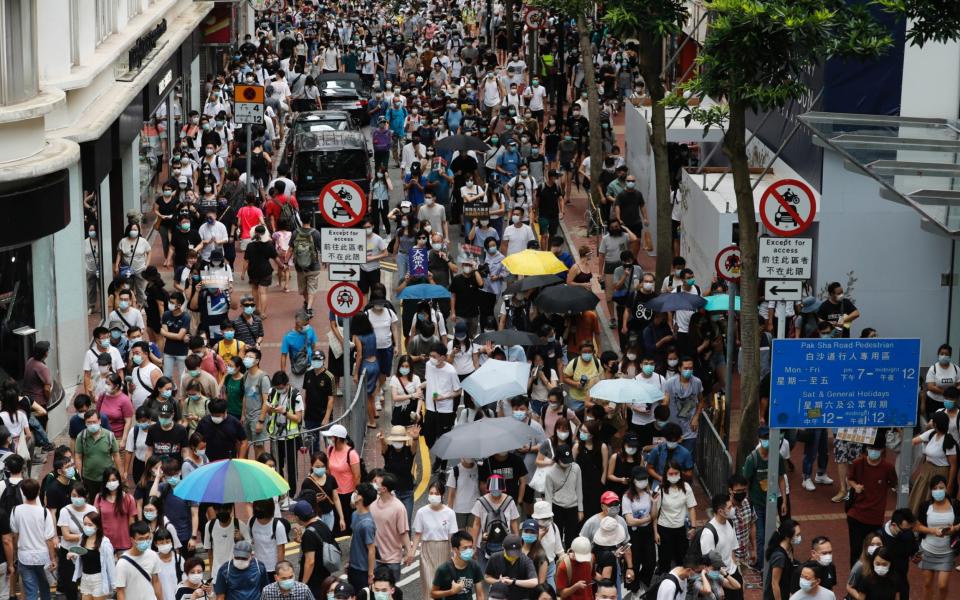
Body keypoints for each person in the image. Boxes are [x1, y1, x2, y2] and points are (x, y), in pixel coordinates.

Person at [741, 426, 787, 569]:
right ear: (760, 439)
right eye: (765, 438)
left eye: (769, 438)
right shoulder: (752, 459)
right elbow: (745, 483)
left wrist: (784, 500)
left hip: (772, 503)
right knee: (760, 535)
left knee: (773, 533)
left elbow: (781, 479)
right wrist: (746, 502)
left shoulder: (777, 457)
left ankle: (772, 561)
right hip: (757, 504)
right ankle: (761, 565)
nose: (768, 441)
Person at [845, 440, 897, 567]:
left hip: (875, 518)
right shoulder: (858, 463)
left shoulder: (888, 468)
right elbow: (850, 478)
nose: (873, 452)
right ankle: (855, 577)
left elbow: (893, 482)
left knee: (874, 551)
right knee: (856, 551)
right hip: (856, 515)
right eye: (871, 448)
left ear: (882, 450)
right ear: (867, 448)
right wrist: (855, 486)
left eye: (877, 449)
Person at [11, 478, 57, 600]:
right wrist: (53, 558)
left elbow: (15, 535)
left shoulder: (16, 510)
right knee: (45, 588)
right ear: (38, 492)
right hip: (43, 557)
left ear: (22, 492)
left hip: (24, 556)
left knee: (30, 591)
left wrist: (16, 552)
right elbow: (49, 539)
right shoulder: (44, 512)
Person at [915, 475, 958, 600]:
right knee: (928, 584)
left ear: (946, 488)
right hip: (927, 550)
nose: (938, 491)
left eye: (941, 487)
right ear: (931, 491)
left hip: (947, 552)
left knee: (942, 585)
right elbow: (917, 527)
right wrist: (932, 531)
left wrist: (954, 529)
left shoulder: (955, 505)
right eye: (935, 488)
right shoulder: (925, 506)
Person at [908, 411, 957, 516]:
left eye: (932, 421)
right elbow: (914, 441)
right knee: (920, 496)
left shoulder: (948, 441)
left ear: (935, 424)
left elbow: (953, 465)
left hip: (941, 472)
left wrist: (949, 485)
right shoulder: (931, 433)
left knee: (934, 498)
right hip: (926, 470)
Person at [368, 472, 412, 583]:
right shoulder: (372, 504)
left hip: (392, 559)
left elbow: (403, 533)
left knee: (391, 592)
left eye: (376, 482)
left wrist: (409, 552)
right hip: (375, 558)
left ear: (384, 489)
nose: (373, 484)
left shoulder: (398, 508)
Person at [655, 462, 698, 573]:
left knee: (682, 559)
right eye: (671, 473)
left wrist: (693, 527)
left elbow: (691, 507)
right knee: (664, 560)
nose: (673, 476)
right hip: (664, 528)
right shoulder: (660, 489)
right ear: (666, 474)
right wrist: (655, 533)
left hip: (680, 529)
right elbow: (654, 514)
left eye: (676, 473)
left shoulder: (686, 487)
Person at [57, 482, 97, 600]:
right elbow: (66, 536)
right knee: (70, 586)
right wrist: (85, 535)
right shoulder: (65, 511)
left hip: (87, 551)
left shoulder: (92, 510)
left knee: (88, 584)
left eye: (80, 496)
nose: (76, 499)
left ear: (86, 496)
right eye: (74, 495)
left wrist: (77, 535)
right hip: (68, 552)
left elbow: (97, 530)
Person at [291, 500, 336, 598]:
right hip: (325, 574)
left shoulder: (309, 534)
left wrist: (303, 584)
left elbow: (310, 561)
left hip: (314, 580)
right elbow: (318, 544)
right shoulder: (322, 524)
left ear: (298, 518)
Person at [67, 511, 116, 600]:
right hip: (85, 578)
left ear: (97, 526)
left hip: (99, 579)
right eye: (85, 524)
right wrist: (73, 555)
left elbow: (110, 564)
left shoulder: (104, 543)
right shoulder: (82, 538)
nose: (87, 527)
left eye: (90, 525)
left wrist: (114, 584)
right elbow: (80, 557)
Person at [542, 444, 582, 549]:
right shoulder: (550, 473)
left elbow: (579, 489)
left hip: (573, 507)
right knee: (556, 535)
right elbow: (548, 496)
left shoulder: (576, 467)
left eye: (569, 460)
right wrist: (549, 515)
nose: (567, 463)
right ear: (557, 459)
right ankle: (558, 560)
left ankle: (571, 559)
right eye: (564, 461)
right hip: (557, 507)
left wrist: (580, 510)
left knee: (571, 537)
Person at [326, 424, 361, 535]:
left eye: (331, 437)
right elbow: (328, 470)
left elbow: (357, 476)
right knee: (336, 525)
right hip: (334, 493)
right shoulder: (330, 449)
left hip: (347, 495)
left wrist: (355, 494)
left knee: (349, 525)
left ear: (337, 438)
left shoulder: (351, 454)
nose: (329, 440)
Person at [431, 530, 486, 600]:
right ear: (455, 549)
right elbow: (433, 594)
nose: (469, 551)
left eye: (470, 547)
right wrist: (451, 592)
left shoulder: (474, 566)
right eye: (465, 548)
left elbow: (480, 594)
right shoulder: (443, 569)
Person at [116, 521, 163, 600]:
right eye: (141, 539)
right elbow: (120, 591)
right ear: (132, 539)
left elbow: (156, 582)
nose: (145, 541)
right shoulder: (122, 563)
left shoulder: (153, 555)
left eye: (147, 538)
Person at [482, 534, 538, 600]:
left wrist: (513, 582)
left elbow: (534, 582)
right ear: (503, 547)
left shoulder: (526, 560)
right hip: (499, 596)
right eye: (510, 553)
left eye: (516, 553)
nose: (513, 556)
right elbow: (487, 577)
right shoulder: (495, 558)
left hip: (520, 596)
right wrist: (498, 581)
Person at [879, 508, 917, 600]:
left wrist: (916, 557)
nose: (907, 532)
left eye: (910, 529)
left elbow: (913, 551)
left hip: (902, 577)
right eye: (904, 530)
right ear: (894, 525)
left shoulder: (908, 533)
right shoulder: (879, 537)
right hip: (883, 579)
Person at [347, 483, 378, 593]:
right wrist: (349, 562)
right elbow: (354, 539)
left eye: (355, 492)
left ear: (360, 497)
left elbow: (371, 550)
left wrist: (370, 574)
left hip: (363, 570)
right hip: (353, 567)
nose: (353, 494)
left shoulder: (367, 524)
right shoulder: (355, 514)